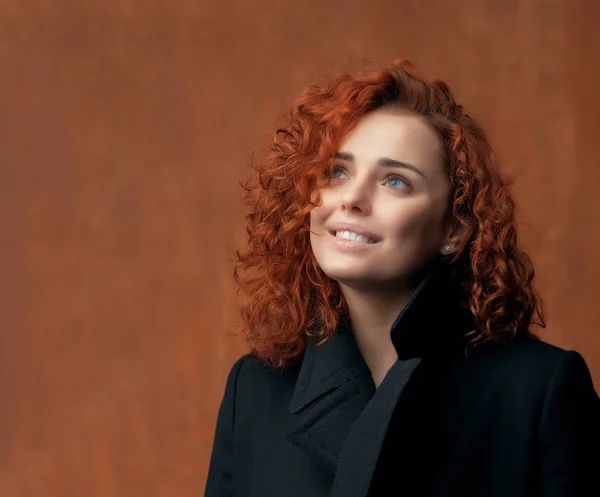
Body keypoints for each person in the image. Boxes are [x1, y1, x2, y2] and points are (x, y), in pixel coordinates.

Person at [204, 59, 600, 497]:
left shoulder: (538, 390)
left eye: (395, 181)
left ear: (454, 228)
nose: (353, 198)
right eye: (337, 171)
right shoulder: (257, 389)